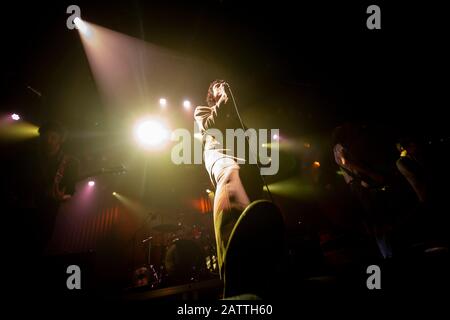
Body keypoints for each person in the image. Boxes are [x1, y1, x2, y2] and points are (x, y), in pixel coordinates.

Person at [194, 80, 285, 298]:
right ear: (211, 93)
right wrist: (223, 91)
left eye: (221, 84)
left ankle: (263, 272)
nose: (220, 84)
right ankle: (232, 266)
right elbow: (211, 124)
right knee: (231, 175)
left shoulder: (235, 118)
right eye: (215, 85)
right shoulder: (203, 110)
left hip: (247, 165)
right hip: (221, 156)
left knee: (254, 204)